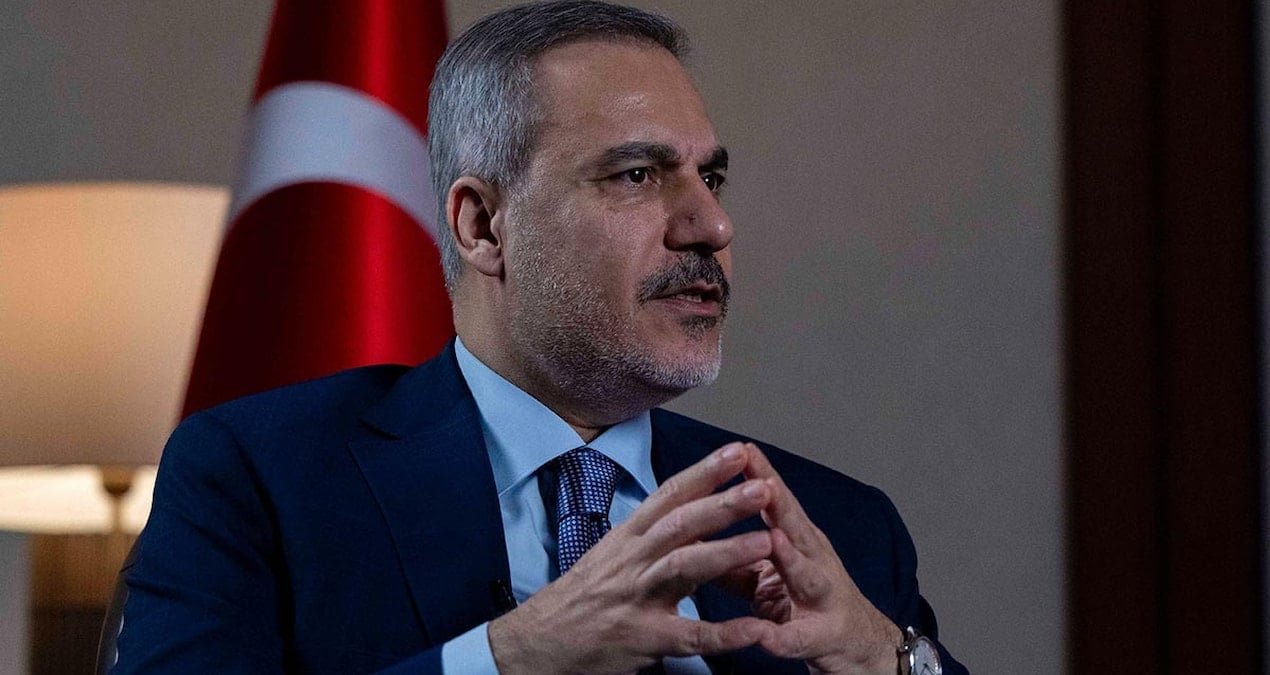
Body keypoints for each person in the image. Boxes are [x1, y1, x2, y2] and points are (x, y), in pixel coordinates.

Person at [114, 2, 966, 674]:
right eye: (637, 174)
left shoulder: (840, 526)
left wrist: (882, 656)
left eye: (710, 176)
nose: (711, 224)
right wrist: (511, 657)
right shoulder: (260, 478)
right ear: (483, 226)